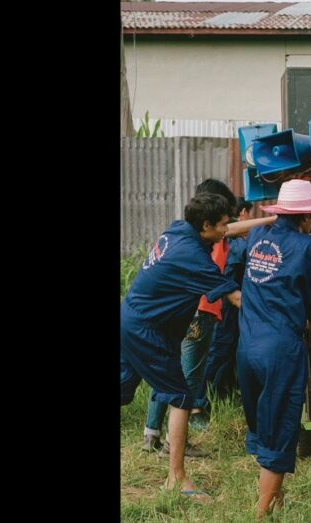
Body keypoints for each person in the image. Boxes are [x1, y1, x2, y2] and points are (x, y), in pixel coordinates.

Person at [120, 193, 241, 499]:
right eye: (223, 225)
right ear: (206, 225)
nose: (227, 230)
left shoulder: (179, 229)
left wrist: (271, 221)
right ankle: (176, 478)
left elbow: (230, 229)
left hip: (131, 319)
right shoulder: (193, 258)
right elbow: (236, 298)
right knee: (181, 397)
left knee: (122, 389)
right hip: (147, 331)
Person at [237, 179, 311, 519]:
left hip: (248, 346)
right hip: (281, 349)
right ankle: (261, 514)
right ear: (307, 216)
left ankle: (276, 501)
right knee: (280, 430)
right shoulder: (309, 247)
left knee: (265, 425)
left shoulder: (256, 238)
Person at [142, 179, 242, 453]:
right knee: (187, 380)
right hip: (202, 312)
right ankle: (176, 443)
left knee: (166, 371)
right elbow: (236, 231)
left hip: (180, 312)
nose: (227, 225)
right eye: (225, 219)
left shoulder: (185, 232)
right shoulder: (211, 238)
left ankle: (151, 433)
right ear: (211, 221)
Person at [203, 196, 254, 399]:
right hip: (227, 305)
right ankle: (205, 398)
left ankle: (219, 394)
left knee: (223, 350)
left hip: (223, 303)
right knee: (220, 350)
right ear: (243, 213)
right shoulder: (235, 240)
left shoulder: (221, 236)